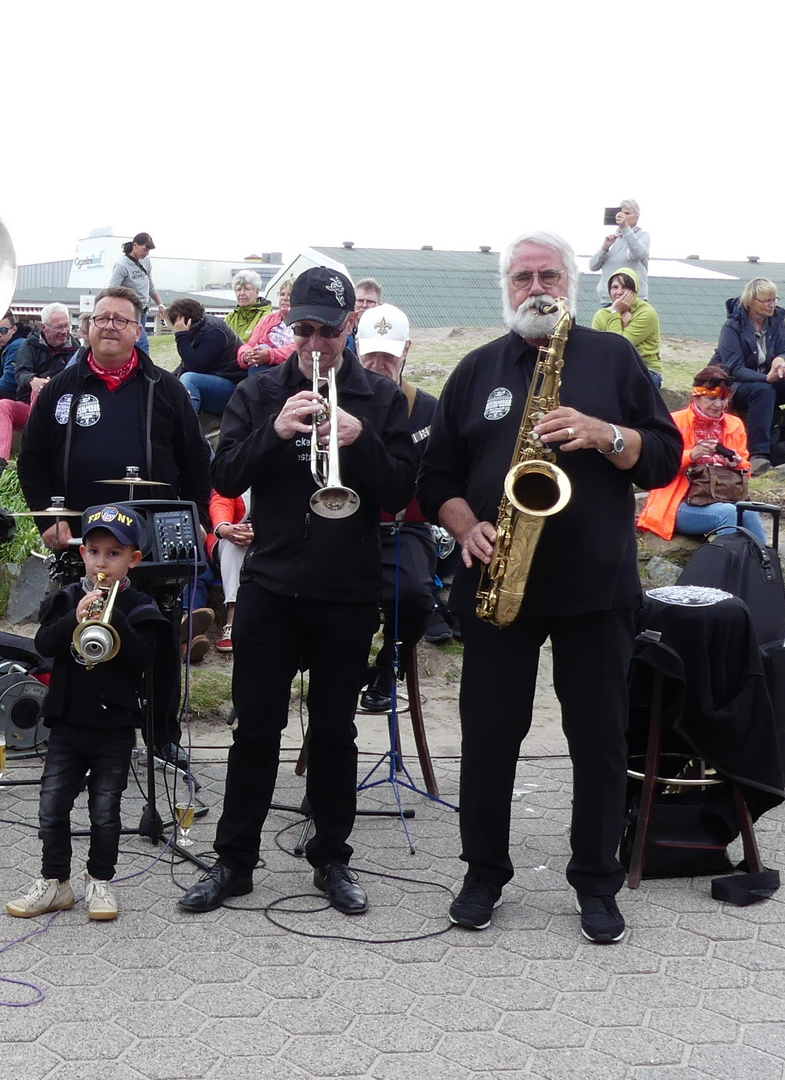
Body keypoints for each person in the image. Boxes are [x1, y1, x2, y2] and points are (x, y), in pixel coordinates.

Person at [419, 231, 682, 945]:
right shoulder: (476, 370)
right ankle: (483, 873)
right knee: (490, 735)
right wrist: (465, 523)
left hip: (595, 586)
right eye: (522, 276)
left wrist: (605, 433)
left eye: (549, 275)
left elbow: (663, 457)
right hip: (496, 579)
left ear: (570, 283)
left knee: (597, 738)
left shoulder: (614, 356)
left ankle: (596, 881)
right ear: (505, 287)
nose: (536, 286)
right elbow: (435, 477)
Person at [177, 268, 416, 917]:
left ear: (347, 330)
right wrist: (274, 431)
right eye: (303, 330)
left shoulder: (382, 399)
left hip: (347, 589)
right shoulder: (258, 392)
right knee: (254, 729)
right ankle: (234, 862)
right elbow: (223, 472)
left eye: (326, 332)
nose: (314, 343)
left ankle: (332, 860)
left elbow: (398, 493)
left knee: (336, 733)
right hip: (272, 587)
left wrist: (361, 441)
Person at [17, 284, 215, 745]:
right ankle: (76, 743)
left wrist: (198, 516)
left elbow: (195, 460)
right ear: (87, 328)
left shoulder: (166, 388)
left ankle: (161, 740)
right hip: (87, 546)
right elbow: (32, 461)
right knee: (79, 640)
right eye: (101, 317)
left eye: (120, 319)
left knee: (157, 644)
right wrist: (49, 521)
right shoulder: (59, 391)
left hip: (152, 543)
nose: (109, 325)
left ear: (138, 330)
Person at [6, 504, 170, 922]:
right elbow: (44, 645)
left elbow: (145, 659)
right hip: (66, 722)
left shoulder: (140, 604)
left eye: (113, 554)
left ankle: (100, 881)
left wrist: (114, 619)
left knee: (105, 810)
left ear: (134, 559)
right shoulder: (66, 597)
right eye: (94, 551)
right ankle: (55, 882)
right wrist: (73, 621)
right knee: (51, 806)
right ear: (82, 554)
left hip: (113, 726)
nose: (102, 562)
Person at [350, 304, 442, 716]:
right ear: (356, 350)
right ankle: (344, 669)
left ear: (406, 351)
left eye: (388, 355)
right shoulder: (340, 400)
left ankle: (390, 666)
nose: (379, 364)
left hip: (406, 525)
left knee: (415, 595)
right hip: (348, 525)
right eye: (371, 355)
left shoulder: (428, 409)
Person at [637, 366, 766, 540]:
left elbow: (746, 468)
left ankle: (765, 564)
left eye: (723, 398)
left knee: (749, 511)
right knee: (728, 513)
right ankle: (725, 565)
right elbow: (658, 465)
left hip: (722, 497)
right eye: (711, 398)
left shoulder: (734, 425)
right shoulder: (674, 422)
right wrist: (691, 456)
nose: (718, 405)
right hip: (678, 503)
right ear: (696, 397)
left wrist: (737, 463)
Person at [713, 277, 785, 475]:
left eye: (775, 299)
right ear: (751, 301)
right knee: (763, 390)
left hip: (767, 379)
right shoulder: (732, 327)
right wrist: (765, 378)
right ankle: (759, 453)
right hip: (737, 385)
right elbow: (734, 368)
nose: (772, 304)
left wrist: (781, 360)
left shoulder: (776, 321)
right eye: (767, 300)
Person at [0, 304, 77, 475]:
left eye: (67, 326)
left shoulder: (76, 349)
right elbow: (20, 373)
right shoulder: (29, 346)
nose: (65, 331)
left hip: (59, 412)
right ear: (44, 327)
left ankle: (37, 456)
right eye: (59, 327)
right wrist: (32, 380)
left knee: (43, 389)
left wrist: (49, 382)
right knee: (1, 405)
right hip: (29, 406)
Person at [170, 298, 244, 415]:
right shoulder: (200, 329)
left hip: (234, 389)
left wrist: (181, 336)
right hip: (218, 381)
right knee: (171, 383)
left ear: (187, 322)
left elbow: (196, 366)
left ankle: (186, 428)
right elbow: (185, 364)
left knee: (189, 379)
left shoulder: (215, 332)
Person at [589, 270, 662, 386]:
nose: (618, 292)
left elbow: (619, 345)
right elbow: (597, 349)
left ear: (635, 291)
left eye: (625, 287)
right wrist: (620, 321)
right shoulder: (601, 314)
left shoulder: (646, 313)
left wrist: (614, 313)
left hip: (645, 369)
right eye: (614, 287)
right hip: (611, 368)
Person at [206, 489, 249, 653]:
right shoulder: (236, 471)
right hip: (231, 537)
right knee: (234, 544)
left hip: (270, 540)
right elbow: (222, 500)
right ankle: (233, 617)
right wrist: (224, 528)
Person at [589, 200, 651, 307]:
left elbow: (638, 253)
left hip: (632, 300)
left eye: (627, 213)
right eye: (621, 213)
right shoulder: (613, 239)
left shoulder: (643, 236)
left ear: (637, 217)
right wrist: (605, 248)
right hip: (608, 300)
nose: (623, 216)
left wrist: (625, 228)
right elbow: (592, 266)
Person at [108, 232, 165, 347]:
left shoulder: (146, 261)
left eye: (149, 250)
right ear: (135, 245)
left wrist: (160, 304)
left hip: (143, 309)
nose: (146, 253)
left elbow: (150, 285)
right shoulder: (122, 265)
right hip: (130, 311)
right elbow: (111, 291)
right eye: (145, 249)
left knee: (136, 343)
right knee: (142, 342)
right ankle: (146, 365)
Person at [236, 276, 297, 373]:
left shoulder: (303, 322)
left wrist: (270, 355)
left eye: (289, 295)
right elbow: (250, 344)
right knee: (257, 354)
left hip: (290, 368)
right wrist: (245, 355)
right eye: (282, 294)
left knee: (263, 350)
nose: (284, 298)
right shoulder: (266, 320)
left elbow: (298, 349)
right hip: (263, 366)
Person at [224, 269, 271, 342]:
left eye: (247, 289)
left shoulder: (266, 317)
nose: (242, 293)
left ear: (257, 291)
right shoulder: (231, 317)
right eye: (238, 289)